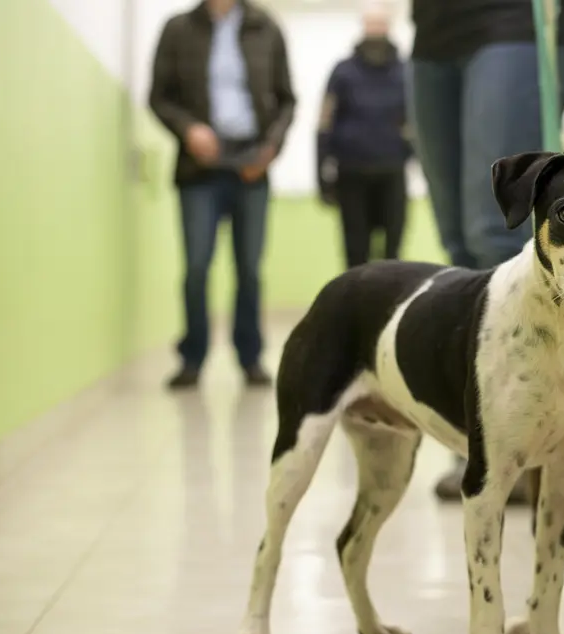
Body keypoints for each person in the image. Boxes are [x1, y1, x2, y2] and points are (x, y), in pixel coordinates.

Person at [407, 0, 564, 501]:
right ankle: (485, 431)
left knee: (493, 231)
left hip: (517, 19)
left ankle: (520, 435)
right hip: (434, 28)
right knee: (456, 238)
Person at [149, 0, 296, 390]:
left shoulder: (266, 27)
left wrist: (270, 149)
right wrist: (188, 129)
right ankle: (192, 358)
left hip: (252, 163)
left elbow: (286, 100)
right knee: (197, 266)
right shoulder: (178, 28)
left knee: (249, 268)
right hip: (199, 168)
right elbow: (159, 97)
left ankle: (250, 358)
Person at [317, 4, 413, 268]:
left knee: (393, 254)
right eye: (371, 24)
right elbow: (325, 124)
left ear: (390, 27)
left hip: (392, 172)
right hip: (352, 174)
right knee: (355, 254)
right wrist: (321, 174)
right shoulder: (343, 72)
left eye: (380, 24)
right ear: (363, 26)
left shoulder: (405, 72)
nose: (375, 31)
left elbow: (415, 122)